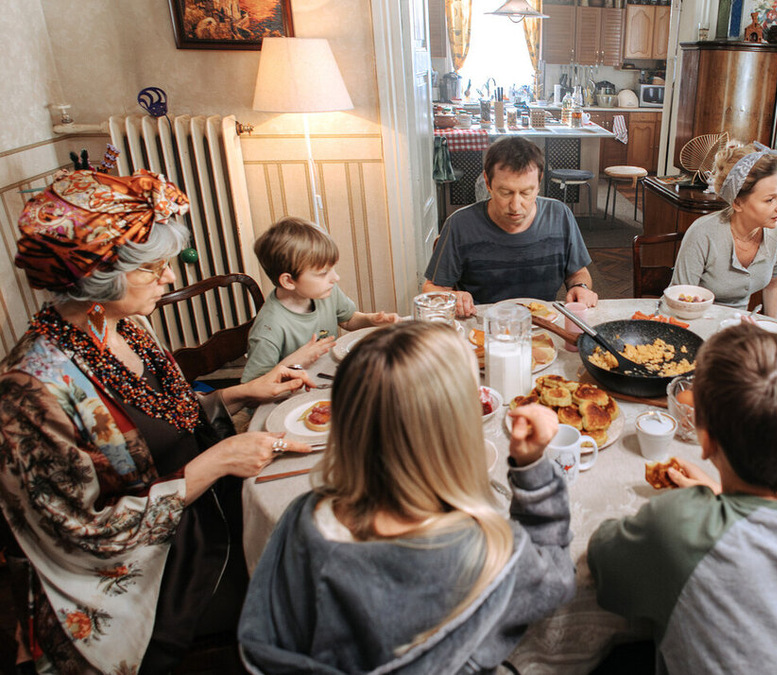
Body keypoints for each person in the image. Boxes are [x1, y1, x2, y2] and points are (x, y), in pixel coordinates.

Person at [0, 169, 319, 674]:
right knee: (303, 587)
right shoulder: (31, 392)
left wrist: (239, 392)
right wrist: (215, 463)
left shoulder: (126, 324)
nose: (170, 278)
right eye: (152, 269)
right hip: (150, 567)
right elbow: (88, 535)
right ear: (97, 275)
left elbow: (162, 417)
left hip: (206, 508)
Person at [238, 322, 575, 672]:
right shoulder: (491, 553)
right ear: (460, 432)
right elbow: (558, 581)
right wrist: (532, 471)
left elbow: (273, 636)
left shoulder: (304, 518)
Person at [587, 324, 777, 673]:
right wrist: (721, 496)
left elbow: (604, 564)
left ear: (706, 440)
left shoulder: (682, 527)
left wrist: (702, 508)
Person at [422, 137, 600, 317]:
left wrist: (581, 287)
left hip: (542, 322)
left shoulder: (560, 215)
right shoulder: (460, 224)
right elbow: (431, 288)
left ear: (539, 181)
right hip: (483, 324)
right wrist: (453, 297)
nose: (515, 206)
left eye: (526, 192)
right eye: (505, 192)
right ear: (487, 182)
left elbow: (578, 273)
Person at [242, 216, 401, 382]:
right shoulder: (268, 328)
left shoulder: (325, 292)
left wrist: (371, 320)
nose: (336, 278)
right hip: (295, 394)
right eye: (323, 273)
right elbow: (252, 387)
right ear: (289, 281)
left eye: (332, 269)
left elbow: (348, 320)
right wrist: (293, 362)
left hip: (328, 378)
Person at [670, 141, 777, 318]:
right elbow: (680, 301)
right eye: (769, 200)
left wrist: (773, 329)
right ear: (737, 203)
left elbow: (773, 286)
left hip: (737, 326)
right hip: (694, 320)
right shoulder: (702, 233)